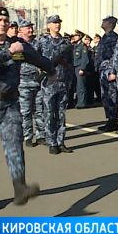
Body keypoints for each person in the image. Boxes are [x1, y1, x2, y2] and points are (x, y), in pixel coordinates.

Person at [0, 7, 55, 210]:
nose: (3, 23)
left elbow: (37, 58)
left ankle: (20, 187)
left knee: (15, 146)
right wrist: (9, 52)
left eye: (6, 20)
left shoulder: (17, 45)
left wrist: (51, 70)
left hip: (10, 103)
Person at [36, 15, 74, 155]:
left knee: (61, 113)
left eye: (58, 23)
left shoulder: (65, 43)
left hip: (62, 82)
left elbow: (70, 64)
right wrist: (41, 72)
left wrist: (69, 80)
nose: (57, 25)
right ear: (49, 25)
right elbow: (35, 59)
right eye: (54, 23)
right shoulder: (42, 41)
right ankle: (51, 142)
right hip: (48, 82)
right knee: (49, 112)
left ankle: (60, 141)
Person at [17, 20, 45, 147]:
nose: (30, 30)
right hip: (23, 81)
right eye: (27, 28)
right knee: (25, 111)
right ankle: (27, 136)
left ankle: (41, 135)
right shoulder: (17, 44)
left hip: (37, 81)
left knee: (39, 110)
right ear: (21, 30)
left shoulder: (38, 43)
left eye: (31, 28)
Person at [95, 16, 118, 132]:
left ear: (110, 23)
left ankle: (113, 120)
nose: (102, 22)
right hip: (103, 70)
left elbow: (115, 56)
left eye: (104, 21)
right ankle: (110, 119)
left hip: (109, 70)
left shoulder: (113, 38)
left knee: (111, 95)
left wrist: (113, 71)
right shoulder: (105, 37)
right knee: (105, 96)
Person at [73, 33, 93, 109]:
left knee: (81, 86)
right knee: (77, 86)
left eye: (76, 36)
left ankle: (82, 103)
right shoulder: (76, 46)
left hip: (79, 67)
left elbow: (85, 59)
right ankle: (79, 102)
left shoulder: (83, 46)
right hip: (75, 67)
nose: (75, 37)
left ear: (80, 36)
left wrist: (82, 68)